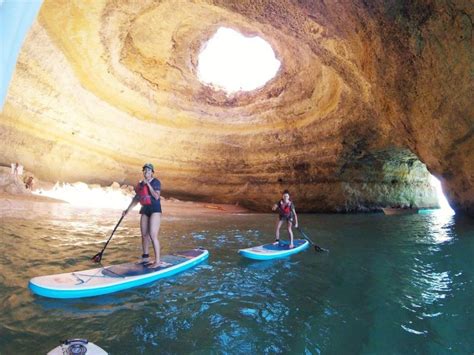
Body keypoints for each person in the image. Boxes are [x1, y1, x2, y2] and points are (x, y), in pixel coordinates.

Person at [122, 163, 170, 268]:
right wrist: (127, 210)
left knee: (153, 235)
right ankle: (145, 258)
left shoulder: (156, 182)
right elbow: (136, 199)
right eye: (145, 171)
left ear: (152, 173)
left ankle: (157, 262)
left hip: (155, 210)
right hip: (145, 209)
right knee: (144, 235)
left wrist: (148, 184)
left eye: (148, 171)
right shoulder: (140, 184)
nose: (146, 172)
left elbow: (156, 196)